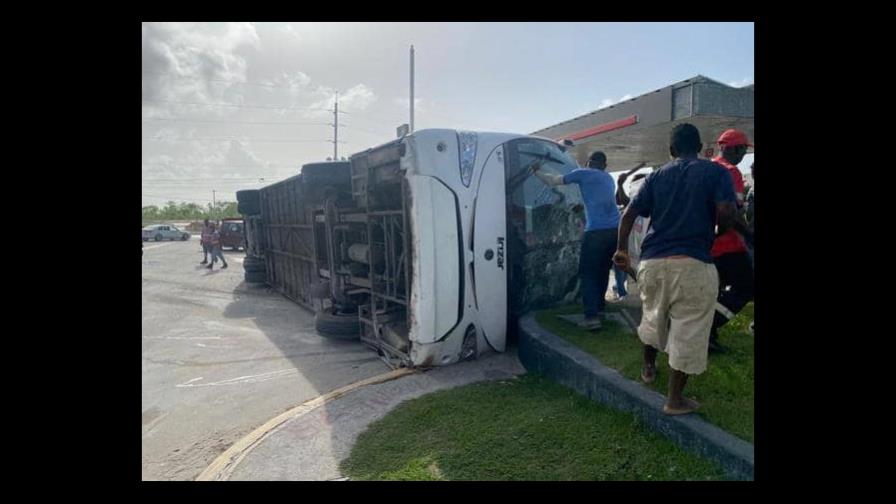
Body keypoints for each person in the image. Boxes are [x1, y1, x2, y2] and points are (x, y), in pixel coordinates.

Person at [613, 123, 737, 415]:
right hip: (693, 263)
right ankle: (675, 400)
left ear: (671, 150)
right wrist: (715, 234)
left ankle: (648, 368)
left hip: (653, 262)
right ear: (701, 146)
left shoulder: (656, 176)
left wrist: (620, 249)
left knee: (653, 316)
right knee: (689, 329)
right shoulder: (715, 172)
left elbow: (628, 214)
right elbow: (727, 215)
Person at [533, 150, 619, 330]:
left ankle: (591, 317)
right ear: (604, 166)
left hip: (595, 232)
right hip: (614, 232)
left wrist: (537, 171)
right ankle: (599, 309)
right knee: (603, 270)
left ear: (588, 163)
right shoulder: (608, 178)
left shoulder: (583, 173)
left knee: (588, 273)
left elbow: (554, 181)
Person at [708, 130, 755, 353]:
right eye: (742, 150)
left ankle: (708, 336)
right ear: (732, 148)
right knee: (746, 287)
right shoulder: (730, 172)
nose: (743, 156)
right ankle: (708, 327)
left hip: (707, 245)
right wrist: (749, 235)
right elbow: (731, 215)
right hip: (728, 244)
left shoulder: (708, 168)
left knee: (713, 292)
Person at [611, 163, 647, 300]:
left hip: (639, 251)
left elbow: (624, 201)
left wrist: (620, 185)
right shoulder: (635, 204)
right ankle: (620, 291)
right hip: (633, 249)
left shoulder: (643, 203)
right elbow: (622, 200)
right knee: (623, 269)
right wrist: (620, 185)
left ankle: (621, 291)